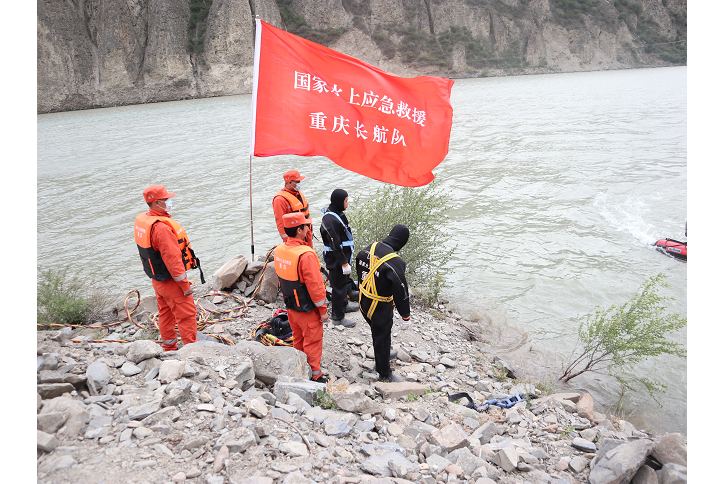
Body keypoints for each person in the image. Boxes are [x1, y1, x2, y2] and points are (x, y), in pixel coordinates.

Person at [134, 185, 204, 351]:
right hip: (172, 282)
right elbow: (173, 261)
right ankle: (192, 352)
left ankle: (169, 348)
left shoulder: (146, 222)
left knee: (165, 313)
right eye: (167, 200)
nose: (170, 202)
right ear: (157, 203)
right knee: (186, 316)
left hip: (158, 280)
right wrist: (185, 285)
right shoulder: (162, 228)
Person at [274, 212, 330, 383]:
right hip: (308, 310)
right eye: (306, 226)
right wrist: (323, 310)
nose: (308, 229)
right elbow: (315, 287)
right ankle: (316, 376)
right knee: (312, 342)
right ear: (299, 230)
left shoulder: (280, 250)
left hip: (291, 308)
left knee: (298, 340)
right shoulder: (305, 255)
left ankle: (299, 369)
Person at [355, 224, 412, 383]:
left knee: (377, 333)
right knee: (382, 336)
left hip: (364, 300)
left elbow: (359, 261)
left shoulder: (369, 248)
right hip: (379, 306)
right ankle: (385, 373)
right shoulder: (395, 262)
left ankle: (382, 354)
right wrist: (405, 315)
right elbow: (401, 291)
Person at [319, 189, 360, 328]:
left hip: (342, 256)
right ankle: (337, 317)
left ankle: (344, 305)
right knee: (338, 287)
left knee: (343, 283)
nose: (347, 204)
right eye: (346, 201)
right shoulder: (330, 219)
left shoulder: (337, 213)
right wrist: (343, 263)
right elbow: (335, 244)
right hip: (336, 259)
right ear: (339, 201)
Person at [273, 170, 313, 248]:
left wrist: (310, 232)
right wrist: (289, 242)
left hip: (307, 234)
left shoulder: (298, 193)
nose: (299, 184)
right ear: (289, 182)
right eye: (297, 182)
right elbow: (280, 223)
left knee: (310, 256)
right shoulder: (279, 200)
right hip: (296, 239)